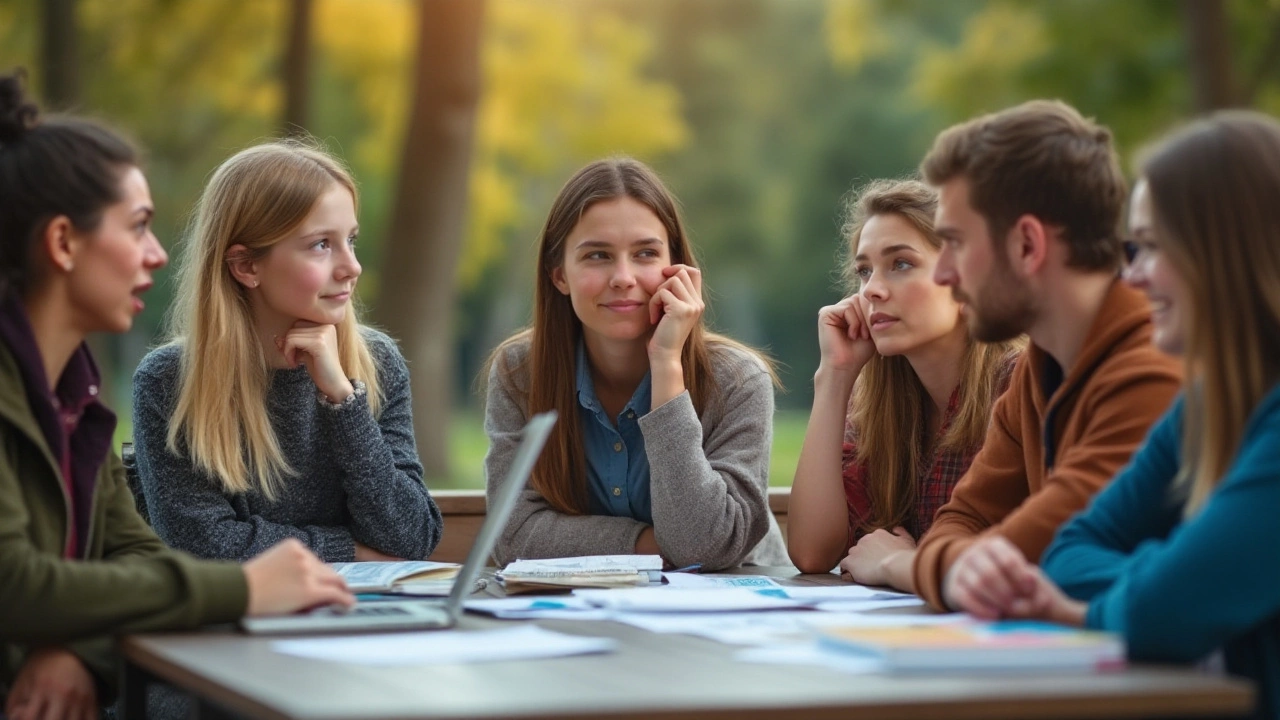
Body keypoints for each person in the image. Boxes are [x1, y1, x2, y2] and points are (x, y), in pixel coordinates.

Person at [0, 71, 353, 720]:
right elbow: (16, 583)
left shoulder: (72, 394)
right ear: (62, 243)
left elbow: (133, 555)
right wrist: (244, 587)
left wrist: (81, 651)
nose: (159, 255)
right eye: (137, 227)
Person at [967, 111, 1280, 720]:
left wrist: (1179, 587)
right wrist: (1189, 575)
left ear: (1229, 254)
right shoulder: (1206, 407)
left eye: (1153, 248)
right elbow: (1070, 549)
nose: (1131, 275)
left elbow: (1165, 611)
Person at [905, 100, 1183, 609]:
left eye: (955, 243)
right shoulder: (1038, 370)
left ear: (1028, 245)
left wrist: (916, 566)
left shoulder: (1154, 371)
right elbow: (958, 522)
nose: (943, 273)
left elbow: (1041, 548)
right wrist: (945, 564)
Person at [132, 140, 442, 564]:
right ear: (246, 266)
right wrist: (351, 549)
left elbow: (412, 538)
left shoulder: (377, 362)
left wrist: (343, 399)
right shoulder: (169, 381)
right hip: (230, 626)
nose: (352, 266)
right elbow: (205, 547)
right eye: (321, 244)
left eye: (351, 239)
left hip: (364, 622)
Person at [483, 157, 788, 571]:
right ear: (559, 276)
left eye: (645, 253)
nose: (623, 277)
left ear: (678, 268)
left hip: (734, 613)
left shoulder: (736, 380)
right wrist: (655, 546)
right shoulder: (520, 374)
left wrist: (666, 364)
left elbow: (705, 545)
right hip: (586, 614)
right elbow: (513, 537)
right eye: (597, 256)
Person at [788, 179, 1020, 586]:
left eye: (901, 264)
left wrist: (901, 565)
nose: (871, 290)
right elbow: (812, 552)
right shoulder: (882, 401)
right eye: (864, 271)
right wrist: (835, 377)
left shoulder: (1021, 386)